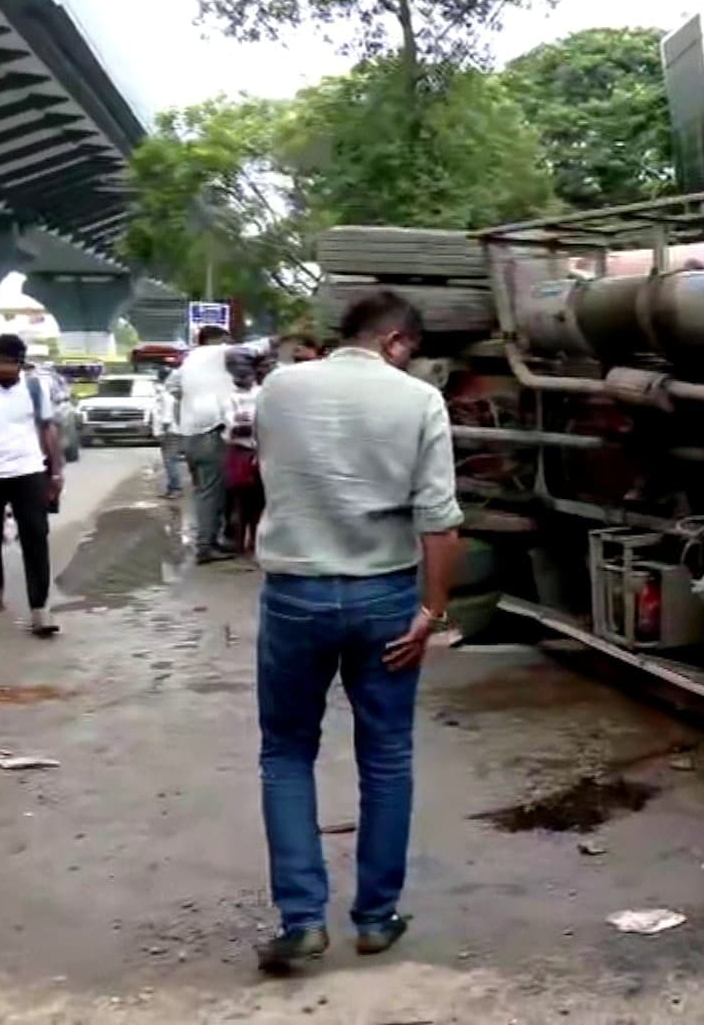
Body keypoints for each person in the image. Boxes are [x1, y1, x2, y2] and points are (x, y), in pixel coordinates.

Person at [250, 291, 461, 973]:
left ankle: (302, 920)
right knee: (387, 755)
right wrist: (431, 613)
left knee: (287, 753)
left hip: (295, 594)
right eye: (410, 352)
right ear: (396, 341)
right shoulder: (418, 400)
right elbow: (440, 523)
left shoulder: (279, 388)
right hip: (384, 599)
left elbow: (271, 473)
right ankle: (375, 918)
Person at [0, 334, 61, 636]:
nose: (6, 369)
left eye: (12, 363)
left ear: (21, 363)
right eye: (0, 362)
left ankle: (40, 608)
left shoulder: (35, 387)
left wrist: (55, 472)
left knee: (36, 536)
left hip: (28, 471)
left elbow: (47, 429)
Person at [169, 325, 236, 563]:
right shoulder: (215, 356)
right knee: (210, 493)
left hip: (190, 435)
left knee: (205, 491)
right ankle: (205, 546)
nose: (228, 346)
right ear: (217, 341)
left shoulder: (187, 364)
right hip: (208, 435)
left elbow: (172, 387)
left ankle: (211, 540)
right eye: (226, 341)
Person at [221, 347, 262, 555]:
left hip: (260, 454)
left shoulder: (263, 394)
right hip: (239, 453)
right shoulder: (228, 398)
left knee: (259, 503)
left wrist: (243, 425)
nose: (242, 376)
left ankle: (255, 543)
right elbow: (233, 427)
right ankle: (239, 545)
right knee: (239, 502)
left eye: (245, 371)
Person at [154, 365, 186, 499]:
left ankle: (176, 488)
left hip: (170, 432)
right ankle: (172, 488)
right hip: (172, 431)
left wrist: (163, 432)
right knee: (170, 461)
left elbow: (166, 415)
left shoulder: (166, 394)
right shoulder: (169, 392)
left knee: (170, 461)